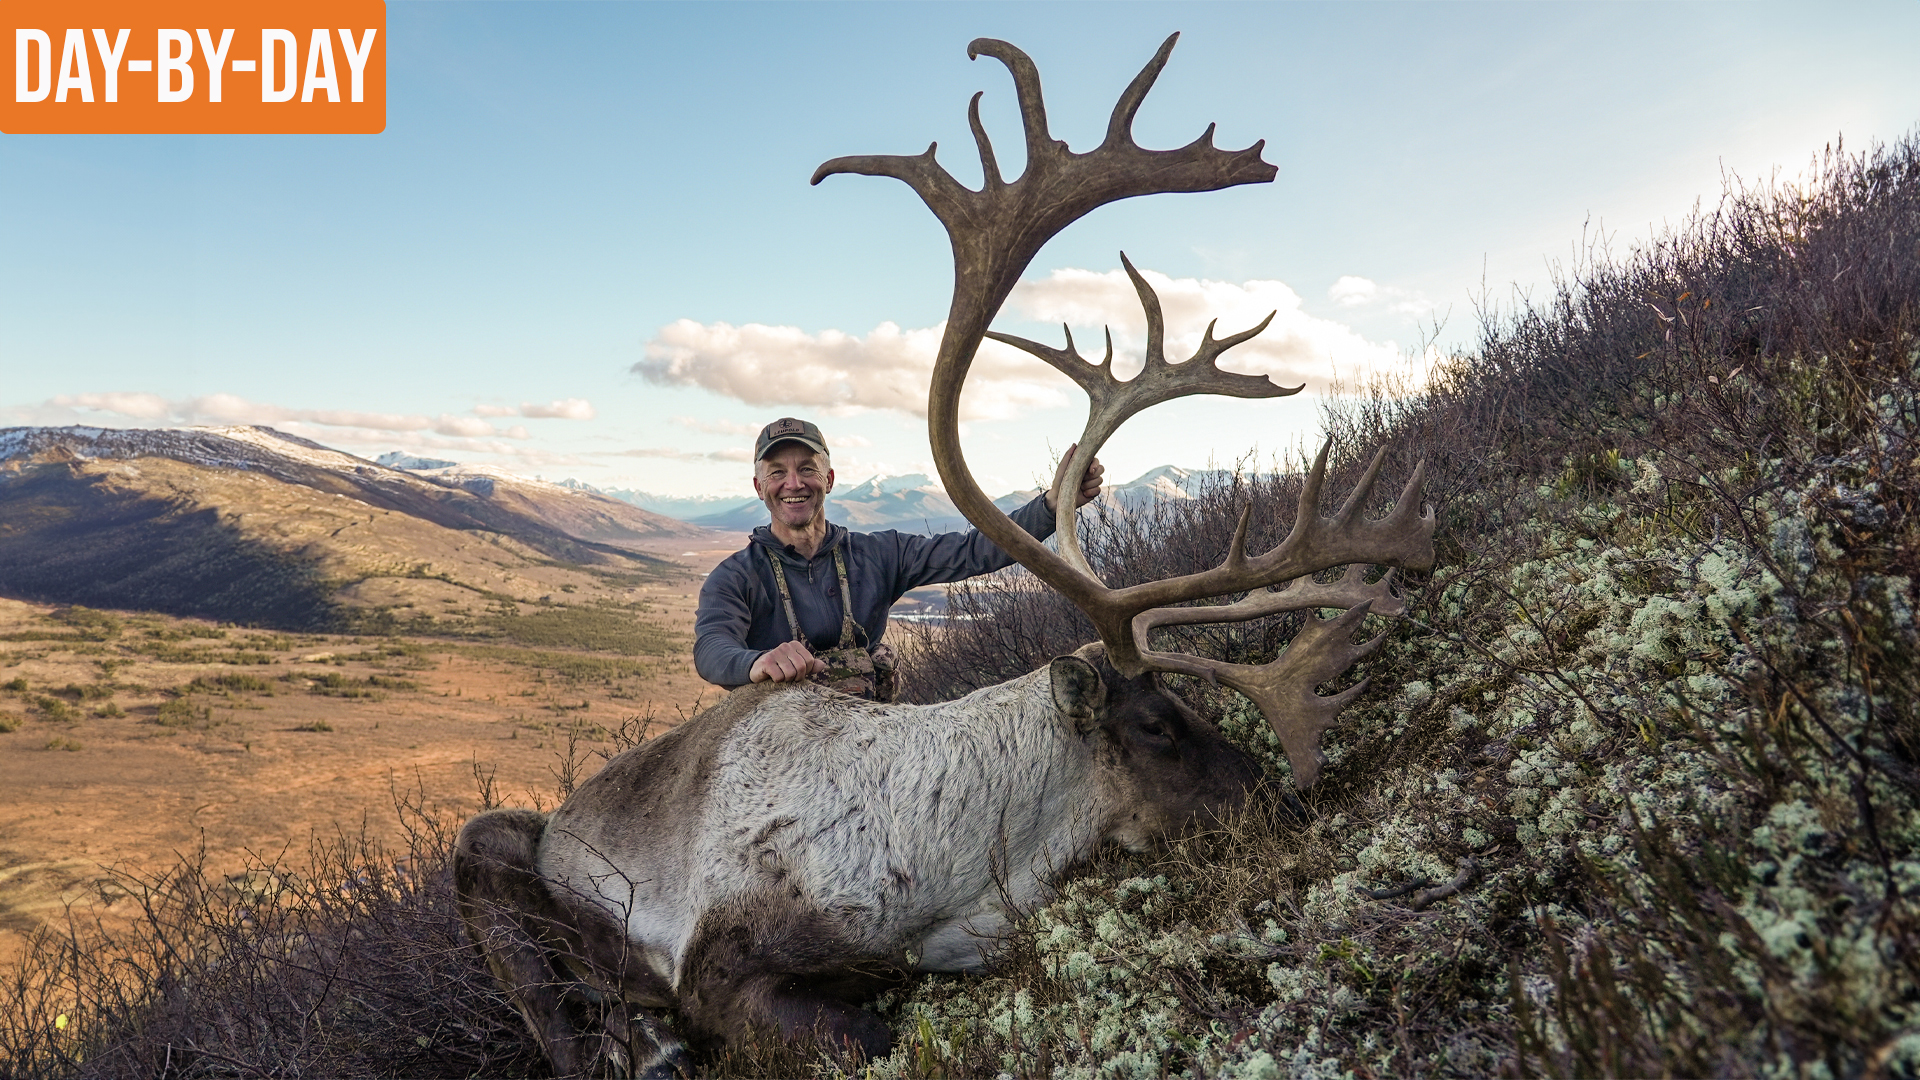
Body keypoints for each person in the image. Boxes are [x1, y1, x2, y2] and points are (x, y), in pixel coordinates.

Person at [693, 417, 1104, 699]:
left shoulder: (879, 554)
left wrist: (1051, 506)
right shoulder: (734, 577)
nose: (793, 483)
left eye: (807, 469)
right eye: (777, 472)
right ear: (758, 486)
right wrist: (758, 662)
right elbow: (711, 650)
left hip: (875, 741)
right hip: (784, 752)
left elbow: (974, 551)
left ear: (829, 480)